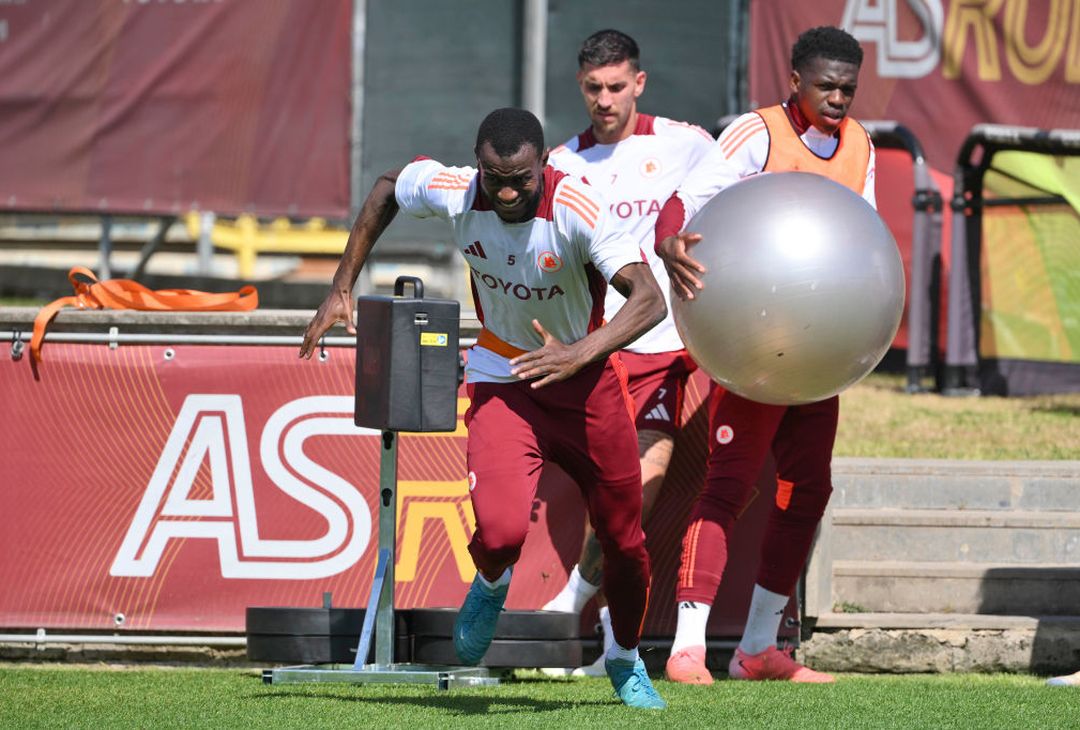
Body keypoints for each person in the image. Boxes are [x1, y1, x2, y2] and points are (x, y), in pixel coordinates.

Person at [300, 107, 668, 709]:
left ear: (543, 166)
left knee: (625, 544)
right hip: (504, 375)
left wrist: (578, 354)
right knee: (498, 531)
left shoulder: (579, 207)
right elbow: (389, 186)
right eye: (493, 176)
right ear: (477, 164)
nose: (504, 191)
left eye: (519, 178)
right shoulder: (457, 191)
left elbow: (648, 300)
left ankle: (625, 659)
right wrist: (342, 285)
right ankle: (491, 580)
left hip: (587, 383)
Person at [653, 26, 877, 685]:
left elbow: (858, 237)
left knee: (808, 488)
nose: (837, 99)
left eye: (847, 88)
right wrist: (669, 243)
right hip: (754, 346)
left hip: (819, 352)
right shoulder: (757, 133)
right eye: (826, 86)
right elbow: (685, 201)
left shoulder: (859, 144)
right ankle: (687, 647)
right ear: (795, 82)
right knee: (727, 484)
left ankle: (758, 649)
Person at [540, 29, 714, 677]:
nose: (605, 100)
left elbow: (736, 207)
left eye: (616, 87)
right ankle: (609, 642)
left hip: (668, 350)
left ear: (639, 83)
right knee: (614, 508)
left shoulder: (688, 146)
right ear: (580, 87)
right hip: (596, 351)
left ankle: (571, 609)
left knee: (640, 493)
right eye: (593, 89)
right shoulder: (562, 165)